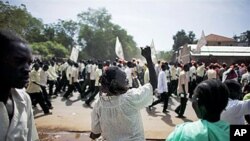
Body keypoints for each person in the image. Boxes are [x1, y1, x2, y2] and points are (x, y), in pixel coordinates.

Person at [90, 46, 157, 141]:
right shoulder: (130, 98)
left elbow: (95, 134)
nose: (127, 81)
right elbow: (153, 85)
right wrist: (149, 59)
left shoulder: (98, 104)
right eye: (124, 79)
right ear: (114, 83)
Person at [0, 29, 39, 140]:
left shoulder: (24, 98)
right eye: (18, 61)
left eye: (29, 63)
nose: (27, 69)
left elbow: (32, 138)